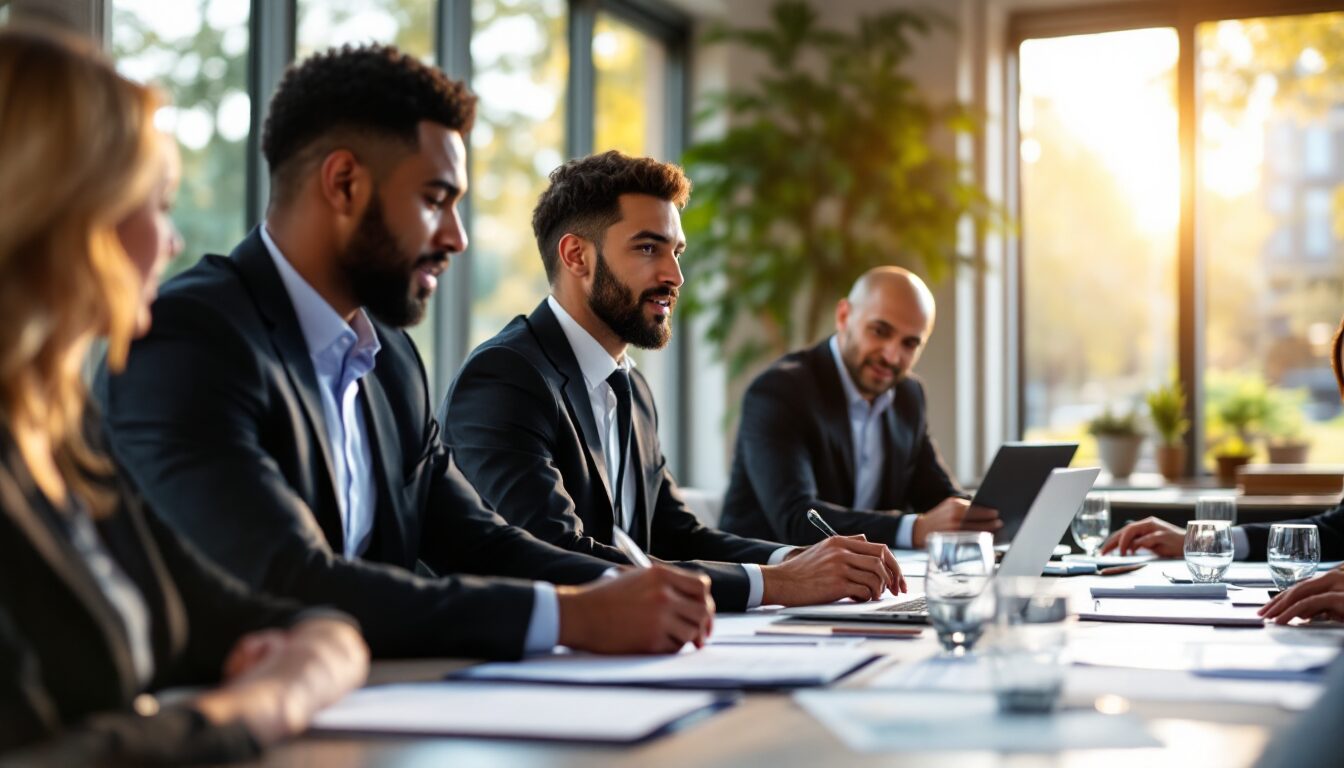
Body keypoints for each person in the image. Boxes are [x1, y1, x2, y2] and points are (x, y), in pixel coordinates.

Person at [98, 45, 714, 660]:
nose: (457, 237)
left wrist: (627, 590)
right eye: (434, 199)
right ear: (344, 184)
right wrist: (569, 616)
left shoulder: (391, 361)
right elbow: (284, 577)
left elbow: (480, 542)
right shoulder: (190, 339)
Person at [0, 28, 367, 764]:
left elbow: (274, 620)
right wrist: (260, 703)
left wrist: (316, 649)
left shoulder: (65, 436)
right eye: (157, 204)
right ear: (72, 214)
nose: (171, 243)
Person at [442, 150, 906, 612]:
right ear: (576, 256)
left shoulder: (630, 387)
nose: (675, 275)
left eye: (676, 251)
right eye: (648, 248)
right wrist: (777, 582)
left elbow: (674, 534)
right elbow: (554, 554)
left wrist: (800, 559)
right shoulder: (506, 377)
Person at [720, 267, 1001, 547]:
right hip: (768, 579)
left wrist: (994, 516)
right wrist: (913, 529)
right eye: (880, 331)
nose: (892, 355)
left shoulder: (908, 395)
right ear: (844, 316)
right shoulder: (780, 391)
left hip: (864, 584)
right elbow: (797, 519)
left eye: (910, 344)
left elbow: (939, 498)